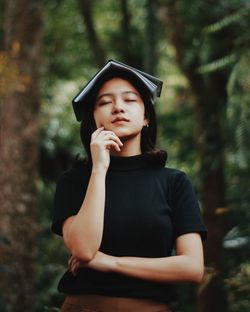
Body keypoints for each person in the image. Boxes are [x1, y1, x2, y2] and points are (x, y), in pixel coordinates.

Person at [51, 60, 207, 312]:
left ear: (146, 117)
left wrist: (111, 262)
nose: (118, 107)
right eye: (104, 102)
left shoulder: (174, 182)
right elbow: (83, 249)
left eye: (130, 100)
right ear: (93, 118)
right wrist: (99, 169)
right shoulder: (74, 181)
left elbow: (192, 268)